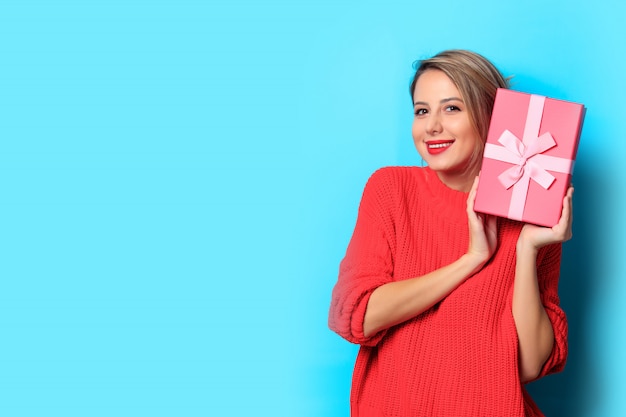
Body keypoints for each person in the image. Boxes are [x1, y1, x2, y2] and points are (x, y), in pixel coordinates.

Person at [328, 49, 572, 417]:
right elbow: (359, 317)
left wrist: (527, 249)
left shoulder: (532, 213)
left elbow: (528, 365)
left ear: (492, 118)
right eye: (422, 110)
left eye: (452, 108)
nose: (432, 127)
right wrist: (472, 259)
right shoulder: (391, 189)